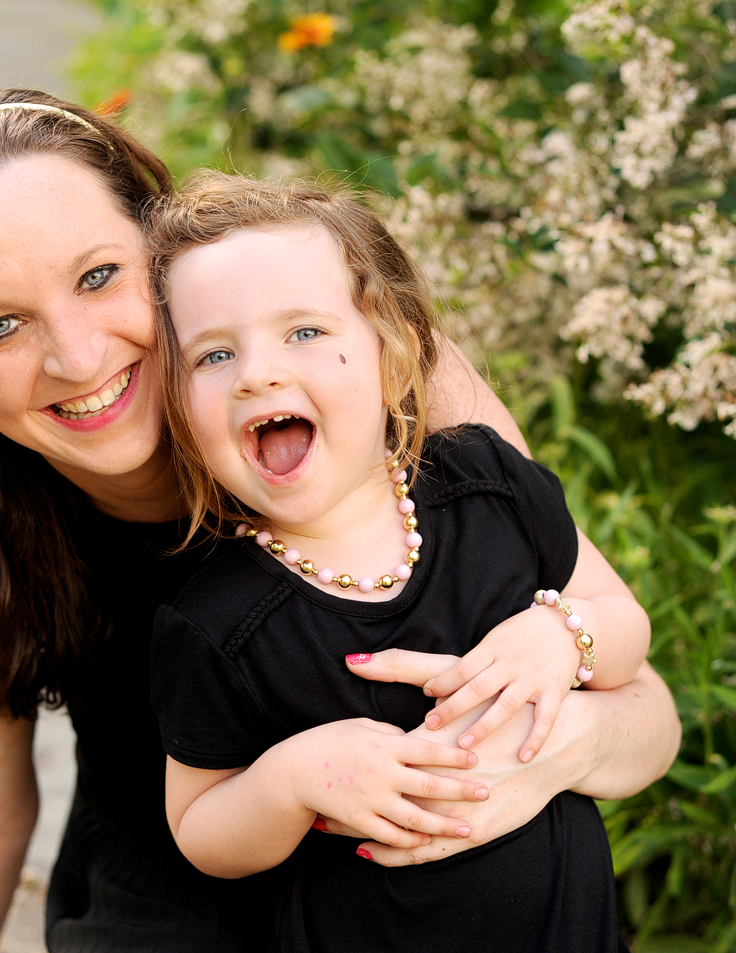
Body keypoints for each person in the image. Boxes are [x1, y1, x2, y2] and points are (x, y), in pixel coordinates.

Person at [0, 88, 679, 953]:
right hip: (170, 906)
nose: (78, 357)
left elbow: (639, 702)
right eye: (1, 326)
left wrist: (541, 757)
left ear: (165, 248)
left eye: (99, 277)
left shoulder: (371, 387)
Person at [147, 173, 651, 951]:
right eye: (213, 354)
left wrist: (563, 633)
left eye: (305, 333)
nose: (257, 373)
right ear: (180, 410)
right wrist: (288, 781)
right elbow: (199, 826)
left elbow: (627, 634)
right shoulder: (218, 621)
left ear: (394, 356)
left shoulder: (487, 491)